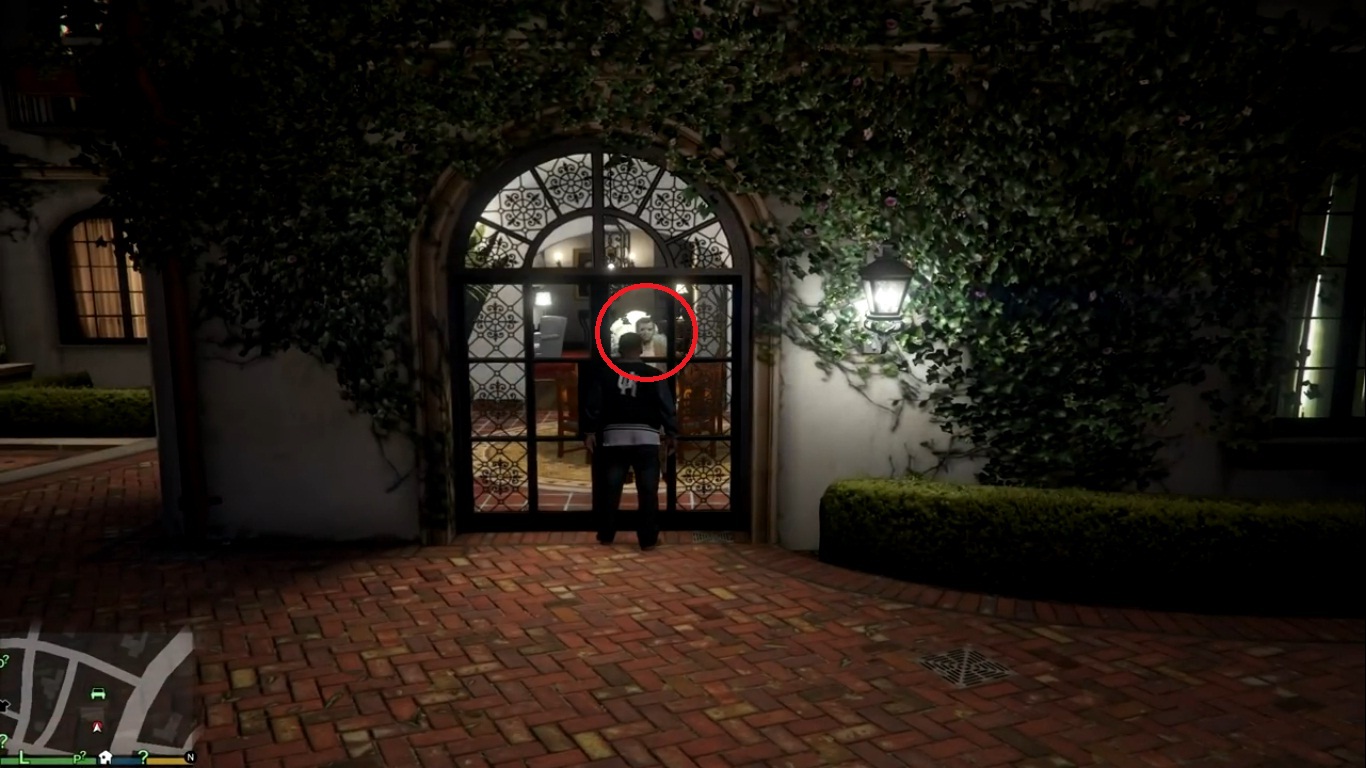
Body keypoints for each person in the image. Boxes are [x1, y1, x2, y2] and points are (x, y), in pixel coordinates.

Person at [582, 332, 678, 550]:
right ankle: (648, 538)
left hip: (614, 437)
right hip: (646, 437)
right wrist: (672, 433)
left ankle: (606, 534)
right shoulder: (654, 374)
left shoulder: (605, 373)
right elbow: (666, 406)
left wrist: (589, 432)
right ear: (641, 349)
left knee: (611, 488)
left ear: (620, 349)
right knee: (647, 491)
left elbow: (594, 405)